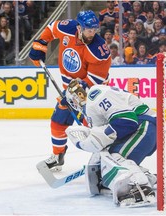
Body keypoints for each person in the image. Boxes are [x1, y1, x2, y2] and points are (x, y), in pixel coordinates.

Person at [28, 10, 111, 171]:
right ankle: (58, 156)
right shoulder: (67, 28)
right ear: (79, 28)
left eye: (94, 30)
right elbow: (51, 29)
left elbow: (94, 81)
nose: (92, 33)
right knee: (58, 120)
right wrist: (41, 44)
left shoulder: (99, 50)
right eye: (89, 29)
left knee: (94, 128)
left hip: (93, 94)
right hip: (70, 90)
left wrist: (73, 95)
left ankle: (108, 158)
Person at [65, 79, 157, 206]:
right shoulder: (93, 105)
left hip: (145, 127)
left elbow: (127, 122)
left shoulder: (95, 95)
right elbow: (109, 137)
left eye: (73, 101)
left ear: (80, 94)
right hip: (143, 129)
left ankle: (140, 188)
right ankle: (145, 176)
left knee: (115, 158)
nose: (75, 105)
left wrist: (98, 138)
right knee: (108, 161)